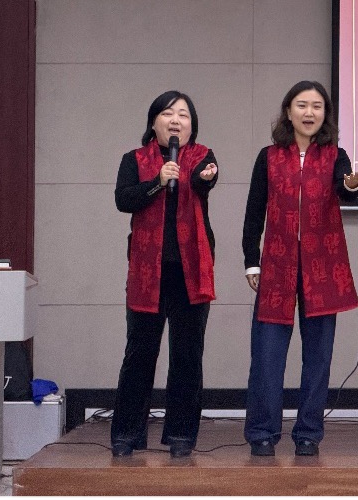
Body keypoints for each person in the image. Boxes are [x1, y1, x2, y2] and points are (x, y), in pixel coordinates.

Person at [242, 80, 358, 457]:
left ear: (325, 114)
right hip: (276, 264)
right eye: (302, 105)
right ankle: (262, 431)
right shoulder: (268, 156)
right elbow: (254, 211)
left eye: (317, 106)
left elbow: (347, 191)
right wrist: (250, 260)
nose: (310, 113)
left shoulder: (336, 155)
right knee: (267, 354)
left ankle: (309, 432)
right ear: (288, 111)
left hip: (322, 265)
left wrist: (352, 185)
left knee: (319, 356)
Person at [111, 91, 219, 458]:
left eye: (184, 115)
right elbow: (124, 199)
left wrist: (204, 177)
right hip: (148, 273)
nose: (176, 120)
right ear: (154, 121)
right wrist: (158, 180)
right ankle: (127, 434)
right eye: (168, 113)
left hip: (190, 272)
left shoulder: (202, 156)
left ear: (192, 125)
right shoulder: (134, 160)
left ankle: (181, 436)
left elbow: (205, 181)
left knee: (187, 356)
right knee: (139, 354)